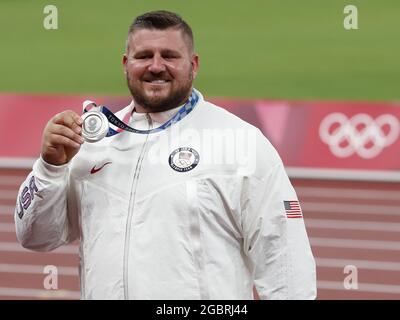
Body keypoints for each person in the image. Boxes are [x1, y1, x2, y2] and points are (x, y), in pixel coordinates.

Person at [14, 10, 316, 300]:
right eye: (143, 56)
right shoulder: (95, 142)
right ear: (125, 63)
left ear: (194, 65)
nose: (156, 66)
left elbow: (285, 259)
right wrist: (51, 168)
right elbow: (36, 237)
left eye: (169, 56)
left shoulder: (240, 142)